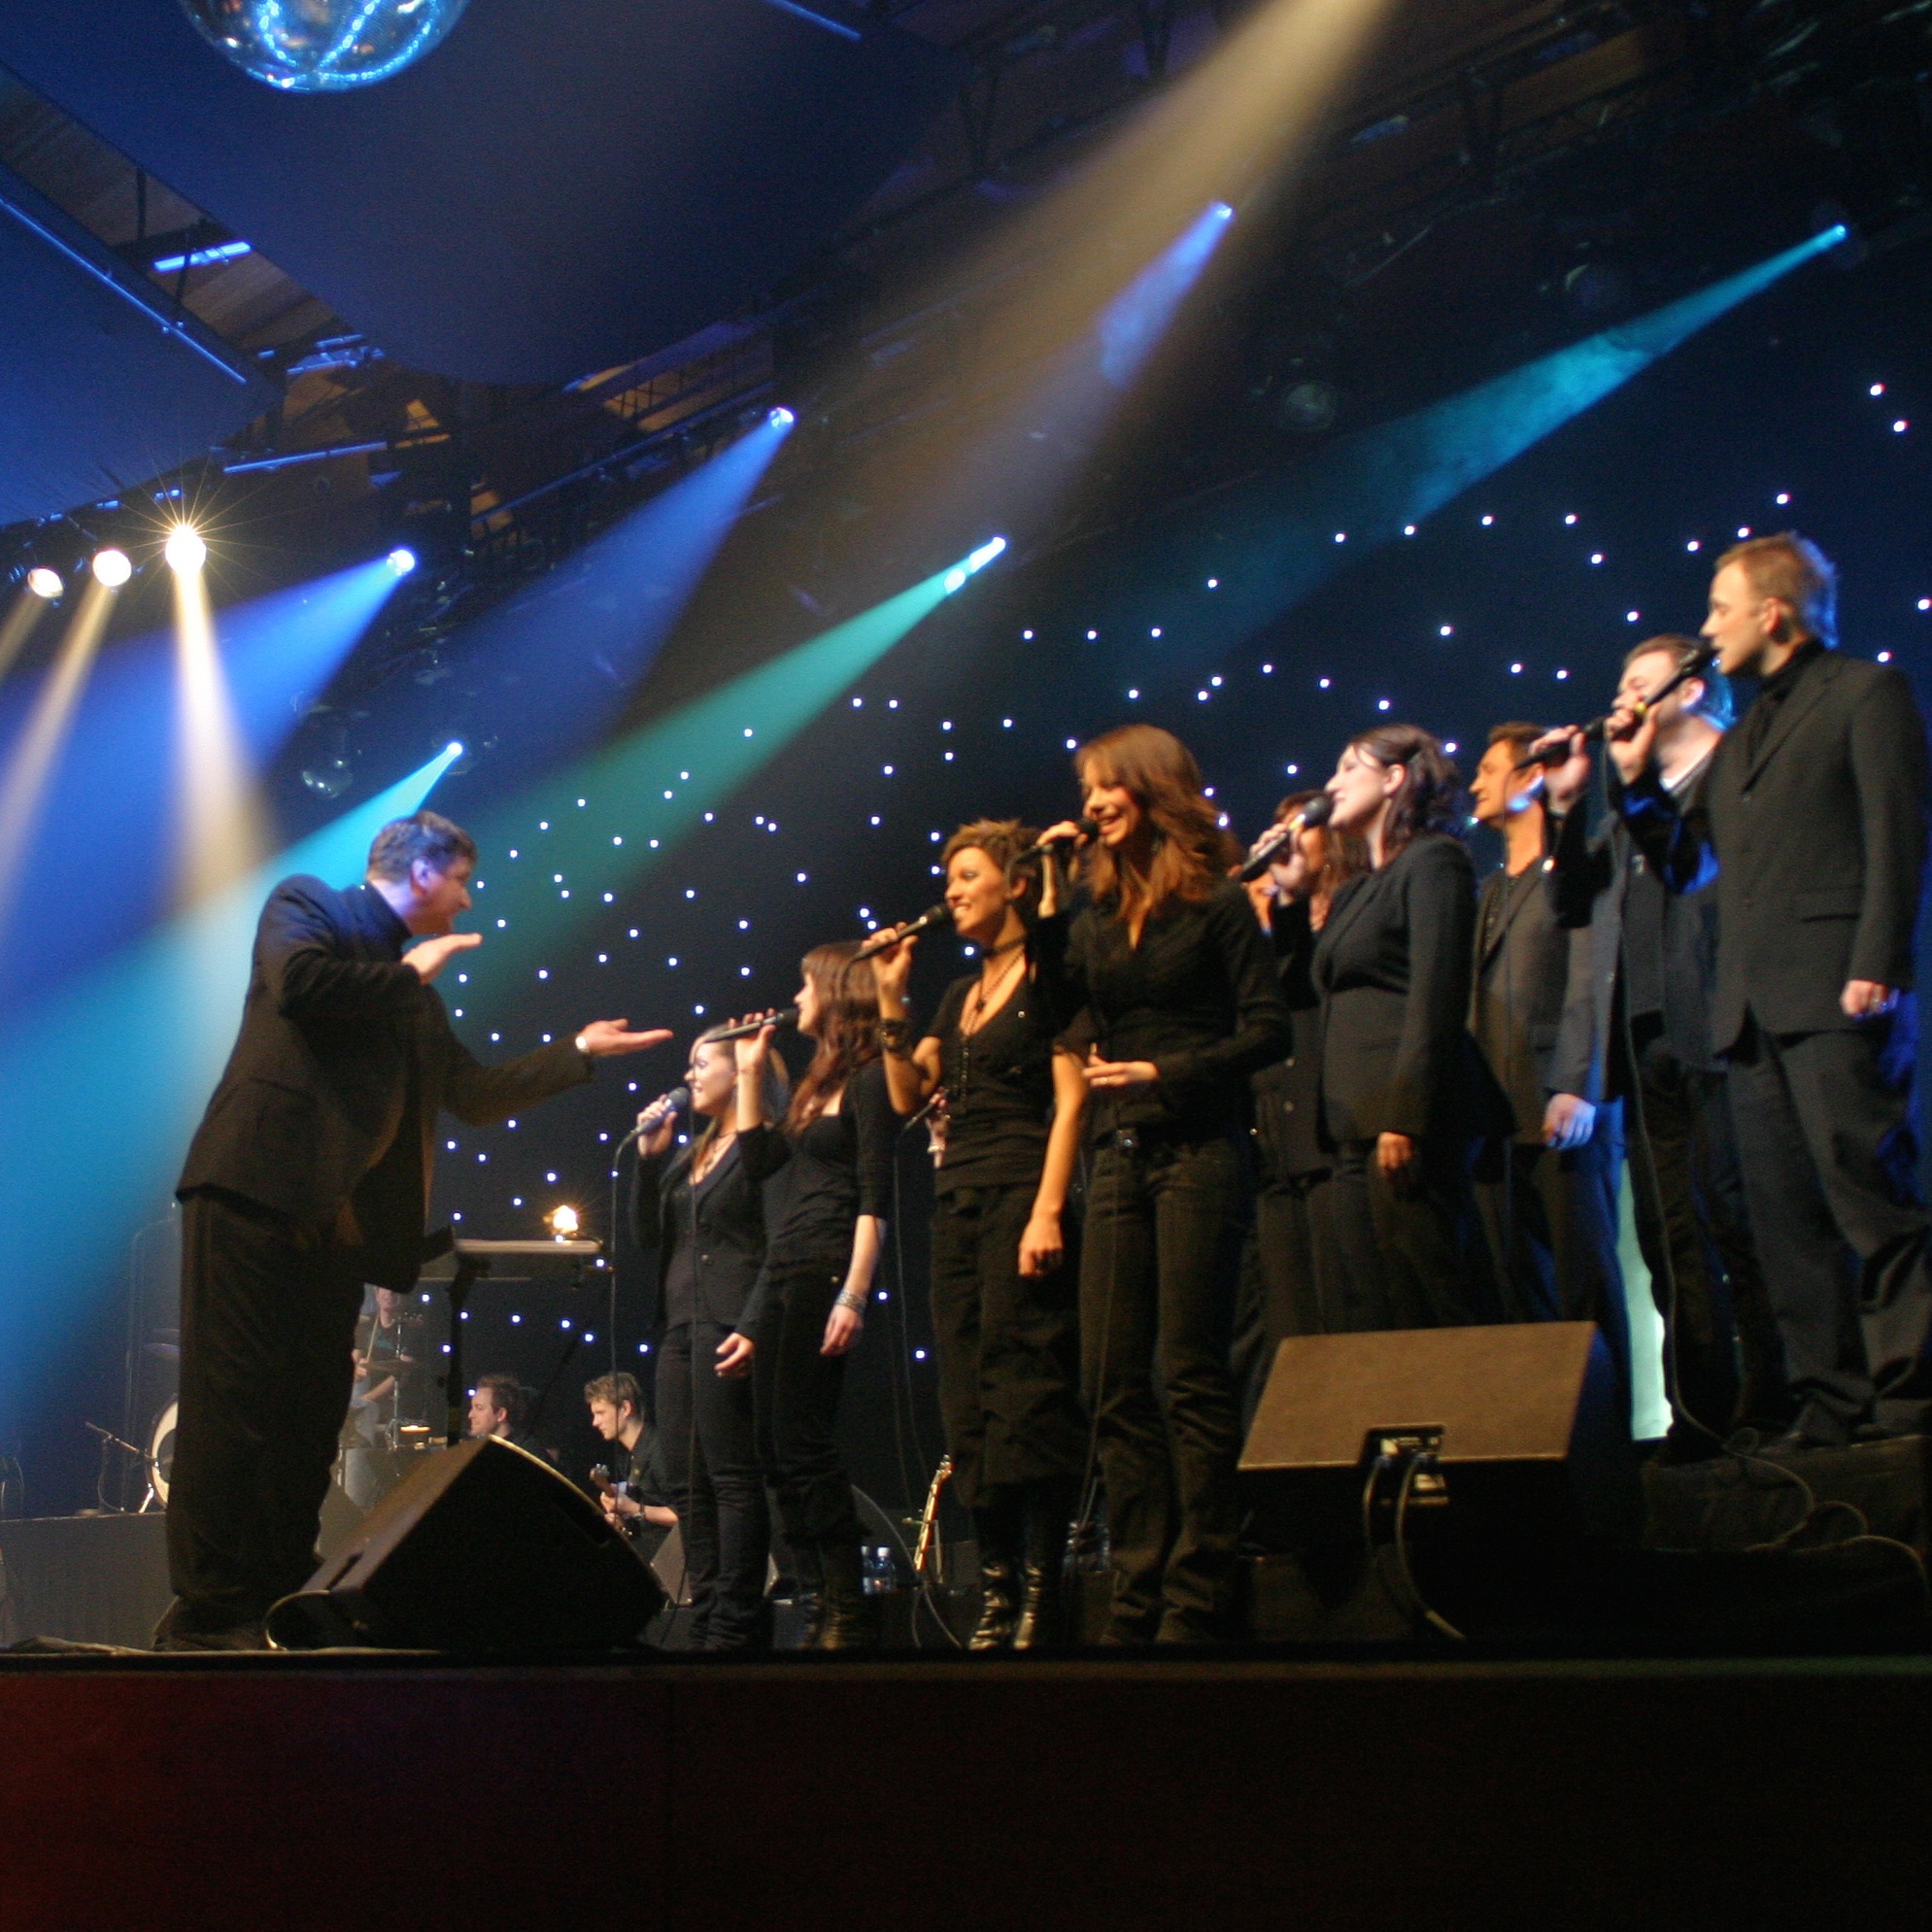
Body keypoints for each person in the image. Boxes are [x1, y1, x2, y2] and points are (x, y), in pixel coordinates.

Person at [159, 809, 670, 1650]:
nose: (468, 902)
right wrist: (410, 975)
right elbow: (300, 986)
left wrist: (576, 1051)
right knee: (232, 1411)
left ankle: (280, 1596)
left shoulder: (410, 989)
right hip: (252, 1193)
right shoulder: (309, 905)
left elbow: (472, 1091)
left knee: (308, 1418)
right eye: (463, 880)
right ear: (423, 871)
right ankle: (207, 1611)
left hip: (334, 1230)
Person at [1605, 535, 1932, 1448]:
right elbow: (1689, 865)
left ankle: (1908, 1395)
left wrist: (1879, 961)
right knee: (1785, 1221)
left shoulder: (1865, 692)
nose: (1708, 626)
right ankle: (1830, 1399)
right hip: (1746, 1009)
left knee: (1867, 1194)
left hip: (1838, 988)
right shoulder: (1744, 734)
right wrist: (1634, 787)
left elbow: (1897, 838)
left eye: (1718, 608)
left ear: (1771, 612)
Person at [1033, 724, 1291, 1645]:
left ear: (1149, 789)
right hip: (1120, 1158)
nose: (1091, 802)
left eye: (1105, 787)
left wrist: (1163, 1072)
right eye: (1086, 789)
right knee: (1111, 1382)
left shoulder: (1217, 904)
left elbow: (1269, 1031)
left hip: (1197, 1151)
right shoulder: (1098, 914)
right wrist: (1055, 894)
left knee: (1186, 1372)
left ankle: (1199, 1586)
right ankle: (1134, 1585)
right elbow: (1059, 1010)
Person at [1533, 639, 1785, 1447]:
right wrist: (1569, 804)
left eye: (1637, 686)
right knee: (1672, 1234)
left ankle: (1779, 1393)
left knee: (1741, 1213)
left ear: (1693, 689)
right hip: (1644, 1044)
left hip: (1722, 1023)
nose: (1621, 701)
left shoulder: (1733, 771)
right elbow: (1570, 902)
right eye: (1617, 687)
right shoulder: (1617, 816)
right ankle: (1699, 1405)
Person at [869, 820, 1089, 1650]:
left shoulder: (1046, 972)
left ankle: (1041, 1585)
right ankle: (996, 1586)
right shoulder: (959, 994)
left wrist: (1045, 1208)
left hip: (1020, 1185)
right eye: (948, 875)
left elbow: (1070, 1098)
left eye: (967, 874)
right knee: (967, 1395)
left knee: (1025, 1385)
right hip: (956, 1200)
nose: (951, 889)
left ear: (1014, 883)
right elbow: (904, 1093)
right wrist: (892, 991)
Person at [734, 947, 897, 1649]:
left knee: (803, 1439)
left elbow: (874, 1193)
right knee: (772, 1443)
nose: (795, 995)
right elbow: (756, 1162)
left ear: (835, 991)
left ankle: (845, 1600)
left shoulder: (865, 1080)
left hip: (829, 1265)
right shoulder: (809, 1087)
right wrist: (747, 1072)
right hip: (785, 1266)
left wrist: (855, 1294)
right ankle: (813, 1594)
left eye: (805, 982)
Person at [1465, 724, 1628, 1387]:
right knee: (1514, 1285)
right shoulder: (1489, 890)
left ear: (1530, 777)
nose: (1473, 783)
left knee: (1582, 1279)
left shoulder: (1580, 861)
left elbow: (1590, 976)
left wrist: (1577, 1083)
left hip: (1560, 1100)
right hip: (1498, 1118)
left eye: (1485, 768)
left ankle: (1611, 1444)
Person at [1314, 723, 1489, 1332]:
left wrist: (1405, 1114)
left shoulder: (1434, 861)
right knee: (1378, 1301)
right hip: (1352, 1125)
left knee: (1435, 1288)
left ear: (1393, 780)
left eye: (1347, 769)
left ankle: (1477, 1419)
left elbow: (1436, 994)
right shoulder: (1357, 889)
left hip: (1405, 1117)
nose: (1331, 784)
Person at [629, 1030, 786, 1650]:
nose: (689, 1075)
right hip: (677, 1325)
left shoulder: (763, 1146)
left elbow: (776, 1242)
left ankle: (737, 1617)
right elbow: (648, 1237)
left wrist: (753, 1323)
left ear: (742, 1070)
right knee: (684, 1476)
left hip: (728, 1321)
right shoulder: (686, 1155)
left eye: (701, 1063)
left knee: (729, 1473)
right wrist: (647, 1161)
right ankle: (708, 1601)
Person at [1231, 794, 1366, 1418]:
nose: (1285, 845)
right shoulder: (1270, 940)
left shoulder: (1351, 920)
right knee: (1289, 1332)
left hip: (1333, 1141)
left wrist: (1284, 902)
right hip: (1274, 1153)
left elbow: (1311, 976)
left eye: (1299, 832)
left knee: (1346, 1312)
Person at [341, 1286, 423, 1509]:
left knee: (361, 1405)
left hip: (386, 1398)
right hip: (361, 1391)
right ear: (376, 1295)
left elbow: (399, 1377)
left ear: (403, 1297)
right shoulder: (367, 1325)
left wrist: (366, 1400)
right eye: (384, 1291)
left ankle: (356, 1489)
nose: (389, 1295)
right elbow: (354, 1359)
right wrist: (355, 1369)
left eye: (396, 1292)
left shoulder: (410, 1329)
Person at [585, 1372, 677, 1567]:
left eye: (600, 1413)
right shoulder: (627, 1456)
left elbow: (686, 1515)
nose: (595, 1422)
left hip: (672, 1557)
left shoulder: (659, 1450)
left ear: (625, 1408)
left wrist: (633, 1508)